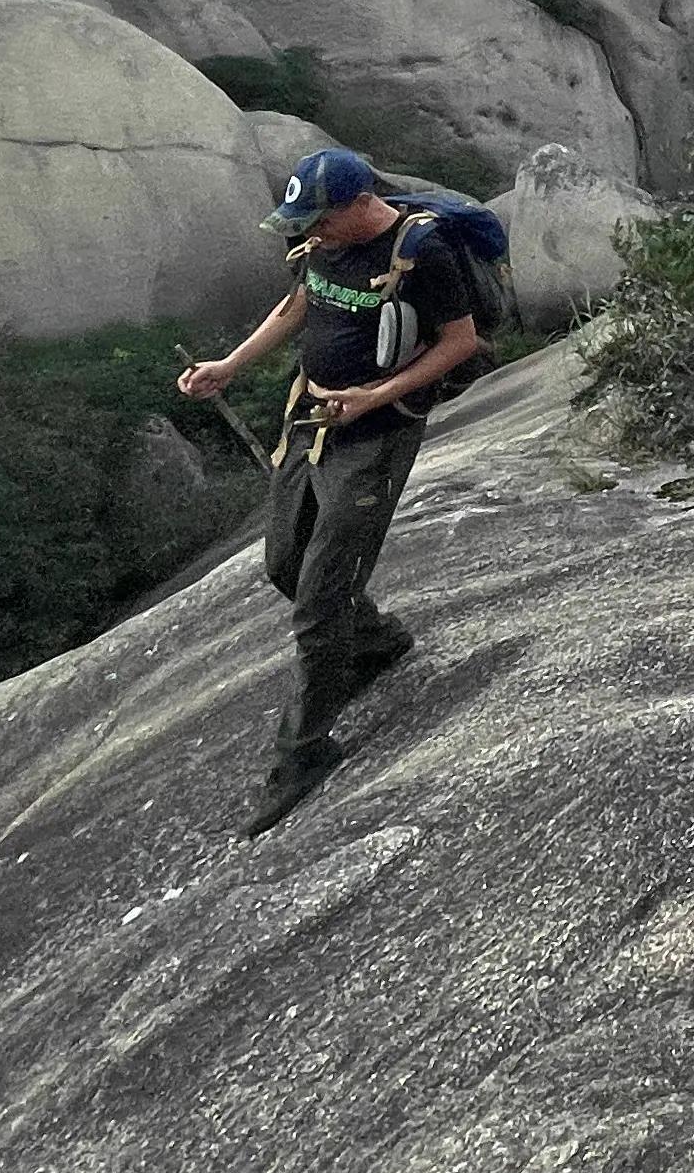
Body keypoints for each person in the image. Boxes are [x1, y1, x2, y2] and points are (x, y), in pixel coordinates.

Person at [179, 146, 486, 830]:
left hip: (372, 438)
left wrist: (377, 397)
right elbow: (296, 307)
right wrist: (228, 365)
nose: (308, 232)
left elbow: (460, 342)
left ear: (357, 204)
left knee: (321, 601)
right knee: (283, 564)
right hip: (309, 417)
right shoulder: (321, 245)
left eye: (319, 219)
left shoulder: (421, 252)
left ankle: (304, 751)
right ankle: (375, 642)